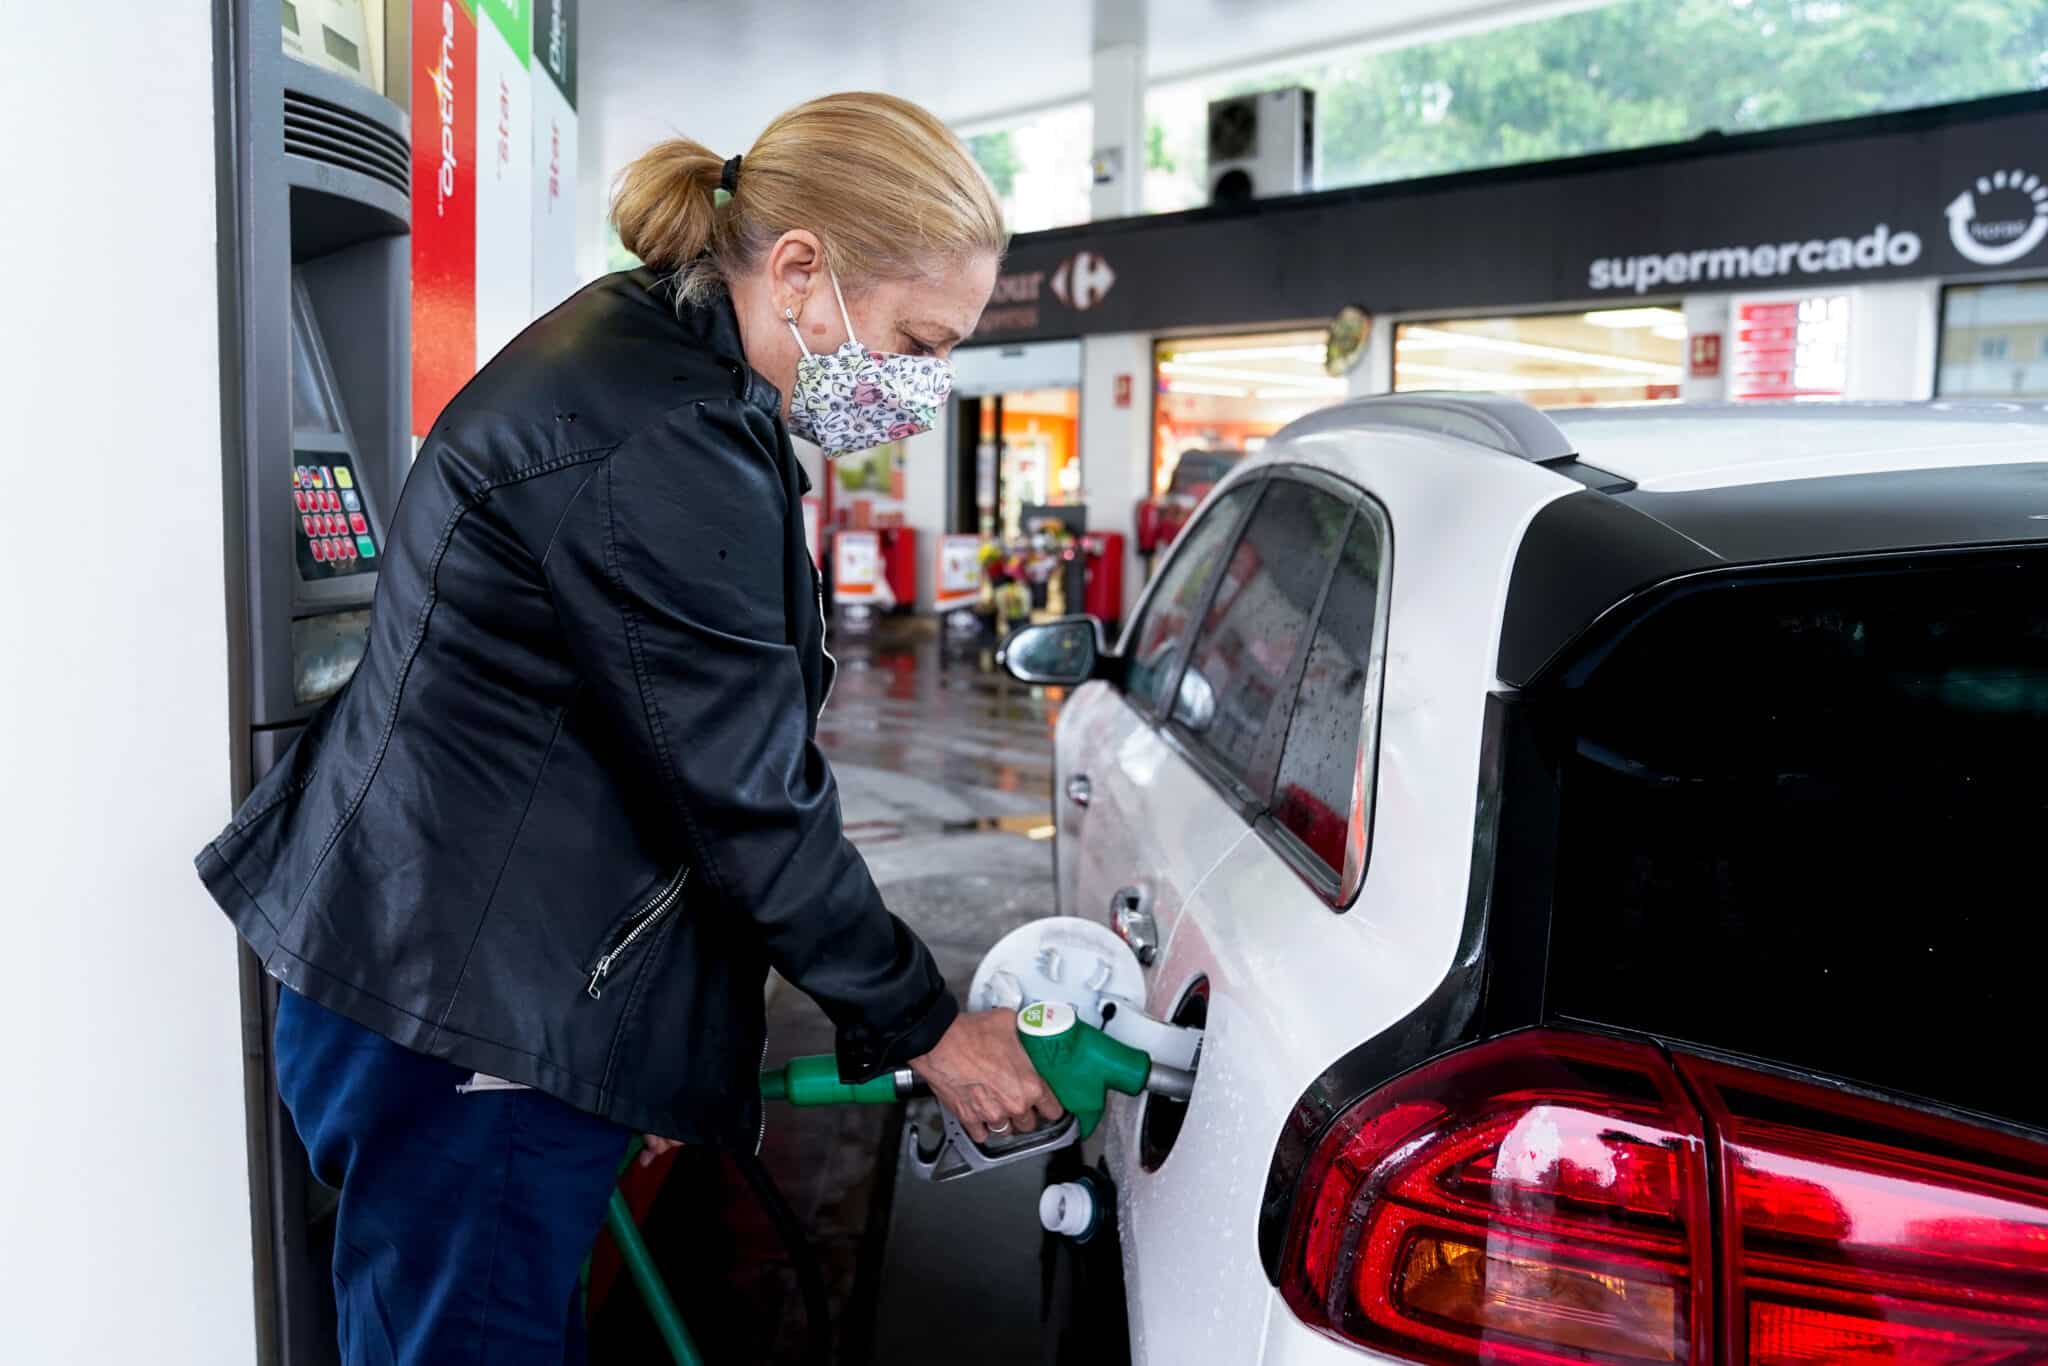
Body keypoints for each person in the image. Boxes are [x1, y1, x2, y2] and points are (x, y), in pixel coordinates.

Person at [195, 91, 1060, 1366]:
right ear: (802, 268)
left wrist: (642, 1049)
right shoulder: (656, 435)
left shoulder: (665, 366)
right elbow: (748, 799)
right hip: (467, 1015)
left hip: (469, 975)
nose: (920, 391)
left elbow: (645, 747)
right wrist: (926, 1026)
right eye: (915, 340)